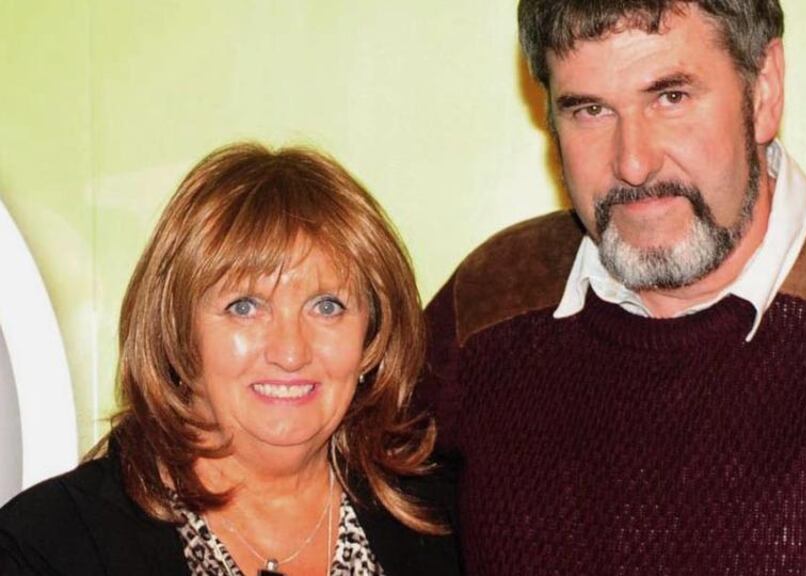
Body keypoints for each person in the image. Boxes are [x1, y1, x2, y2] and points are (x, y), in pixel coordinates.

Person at [420, 1, 806, 574]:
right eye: (590, 111)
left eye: (671, 97)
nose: (633, 162)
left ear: (763, 90)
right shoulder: (486, 305)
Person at [0, 144, 461, 575]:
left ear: (372, 336)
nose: (290, 351)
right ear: (179, 332)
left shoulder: (450, 522)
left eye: (327, 306)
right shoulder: (47, 547)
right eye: (245, 306)